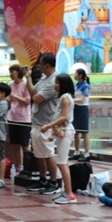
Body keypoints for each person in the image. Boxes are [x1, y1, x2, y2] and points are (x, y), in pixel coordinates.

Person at [25, 53, 60, 195]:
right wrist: (27, 78)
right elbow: (33, 92)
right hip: (37, 122)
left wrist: (35, 95)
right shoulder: (44, 79)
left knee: (48, 153)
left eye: (40, 64)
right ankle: (42, 179)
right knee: (39, 153)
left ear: (47, 65)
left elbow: (37, 98)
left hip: (47, 123)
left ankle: (53, 181)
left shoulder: (54, 81)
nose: (39, 67)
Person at [40, 73, 77, 204]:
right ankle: (66, 191)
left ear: (63, 85)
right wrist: (53, 135)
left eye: (56, 83)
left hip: (66, 131)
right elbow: (61, 120)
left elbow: (64, 118)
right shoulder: (65, 97)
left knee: (62, 162)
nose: (55, 85)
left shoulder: (65, 98)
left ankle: (69, 194)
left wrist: (48, 126)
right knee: (62, 162)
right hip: (64, 131)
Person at [6, 64, 32, 176]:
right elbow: (8, 99)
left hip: (24, 118)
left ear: (18, 73)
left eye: (13, 71)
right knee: (15, 144)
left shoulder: (25, 84)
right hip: (12, 117)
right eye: (10, 72)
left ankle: (29, 165)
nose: (11, 74)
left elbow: (27, 101)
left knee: (25, 144)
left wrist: (14, 96)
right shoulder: (10, 84)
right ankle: (18, 166)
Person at [71, 68, 92, 161]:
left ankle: (87, 153)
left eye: (76, 73)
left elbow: (82, 99)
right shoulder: (76, 85)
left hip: (83, 109)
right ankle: (77, 152)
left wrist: (70, 100)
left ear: (80, 75)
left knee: (84, 132)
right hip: (75, 109)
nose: (74, 75)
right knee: (76, 132)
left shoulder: (85, 86)